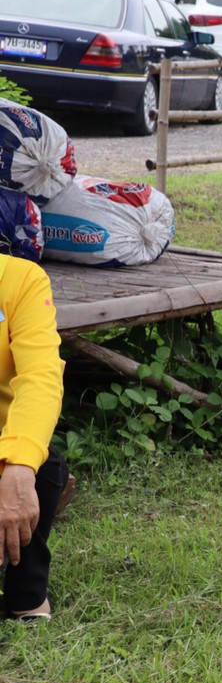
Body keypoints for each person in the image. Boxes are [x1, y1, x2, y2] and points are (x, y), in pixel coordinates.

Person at [0, 254, 66, 624]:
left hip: (4, 438)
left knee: (44, 467)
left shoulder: (20, 279)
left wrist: (20, 463)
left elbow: (40, 377)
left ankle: (26, 593)